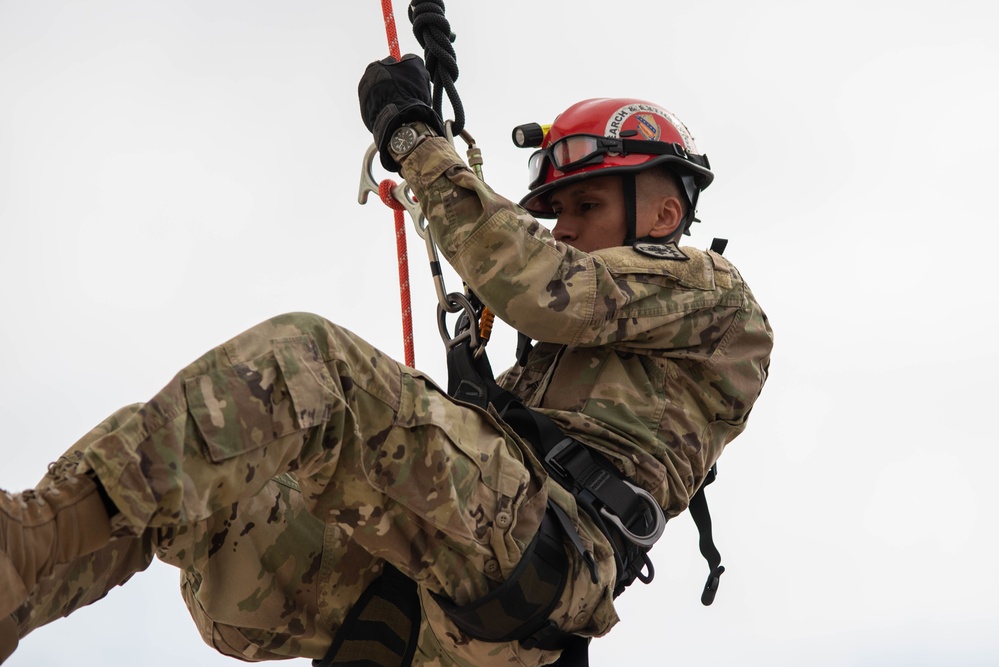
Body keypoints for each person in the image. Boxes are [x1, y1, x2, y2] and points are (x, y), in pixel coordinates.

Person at [0, 56, 773, 667]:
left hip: (545, 560)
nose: (563, 227)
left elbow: (539, 285)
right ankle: (17, 582)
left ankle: (26, 540)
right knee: (206, 462)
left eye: (585, 207)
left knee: (307, 364)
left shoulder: (716, 300)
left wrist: (414, 139)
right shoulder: (564, 355)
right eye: (557, 212)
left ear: (665, 212)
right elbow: (534, 293)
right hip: (451, 596)